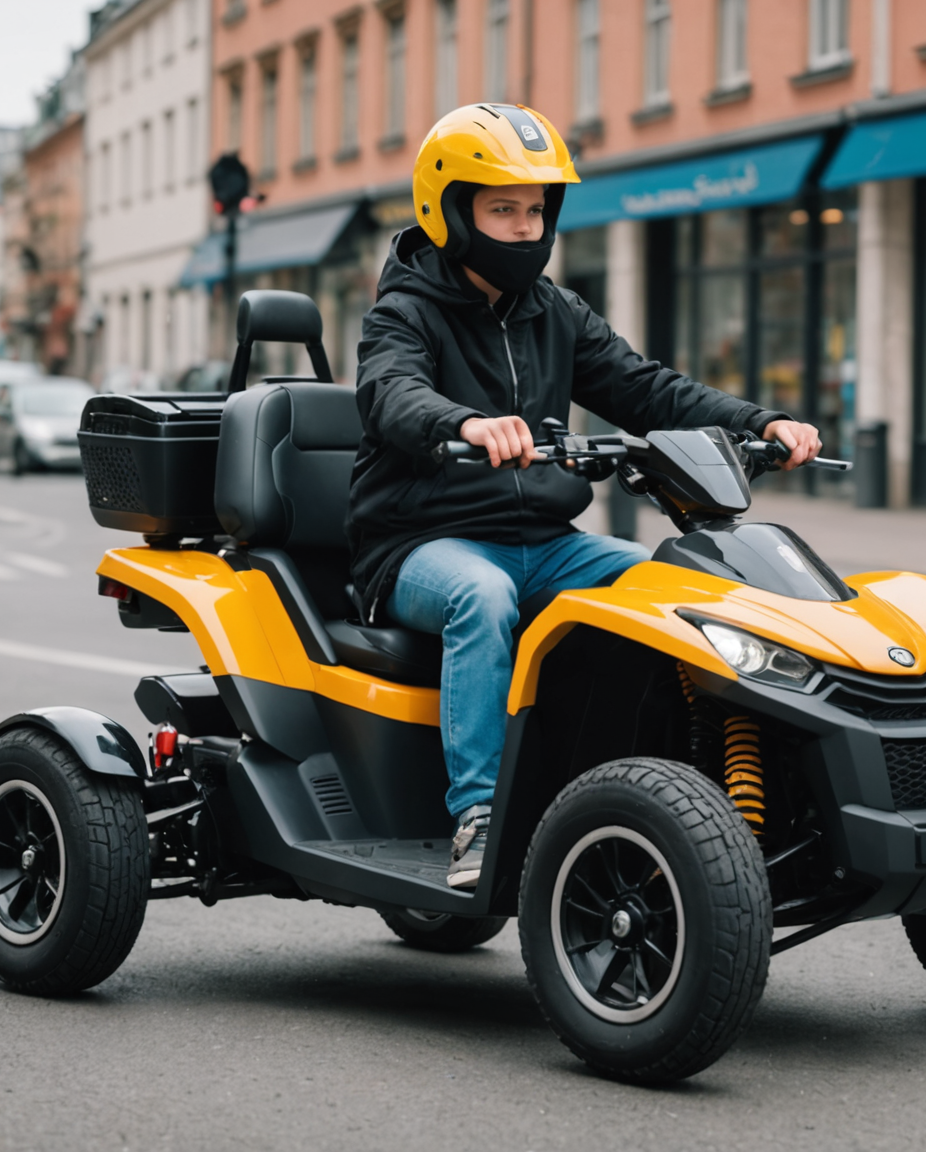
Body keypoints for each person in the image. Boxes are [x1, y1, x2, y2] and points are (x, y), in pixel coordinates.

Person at [349, 105, 822, 889]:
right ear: (449, 211)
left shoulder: (557, 314)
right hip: (422, 544)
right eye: (503, 209)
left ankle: (663, 795)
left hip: (549, 541)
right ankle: (479, 815)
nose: (525, 228)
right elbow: (392, 395)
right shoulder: (402, 314)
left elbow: (649, 392)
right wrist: (464, 424)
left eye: (537, 209)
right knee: (481, 597)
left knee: (668, 585)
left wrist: (760, 420)